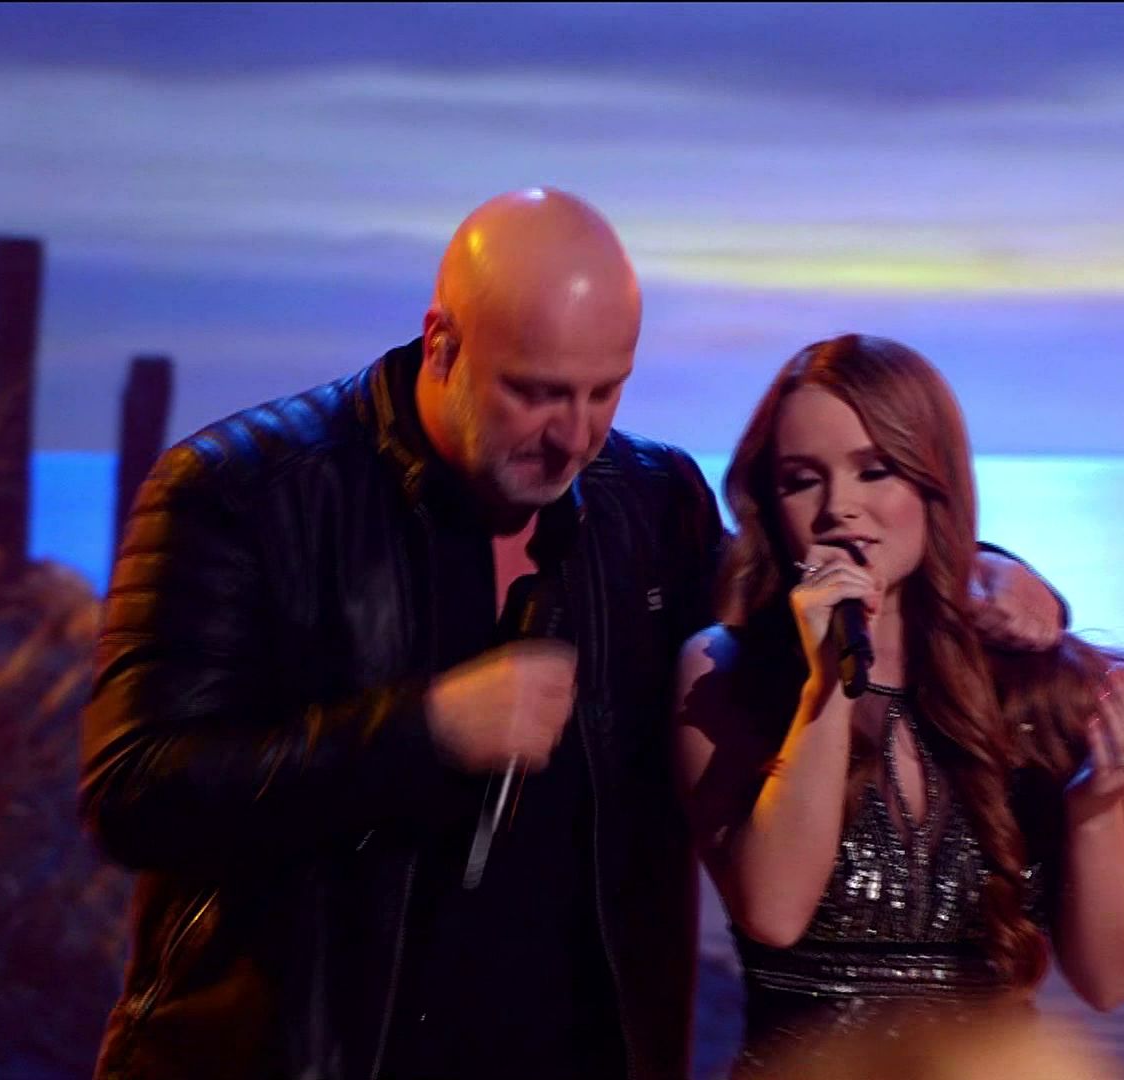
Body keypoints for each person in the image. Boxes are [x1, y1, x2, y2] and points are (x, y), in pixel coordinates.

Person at [79, 191, 1067, 1080]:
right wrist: (423, 732)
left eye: (606, 392)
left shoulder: (651, 499)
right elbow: (133, 791)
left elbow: (798, 589)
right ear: (442, 344)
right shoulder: (242, 492)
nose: (575, 435)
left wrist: (983, 566)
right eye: (539, 392)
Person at [673, 334, 1124, 1075]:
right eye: (802, 481)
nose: (839, 508)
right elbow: (773, 910)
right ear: (771, 501)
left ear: (936, 482)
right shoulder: (724, 672)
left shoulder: (1031, 678)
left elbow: (1111, 980)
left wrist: (1097, 809)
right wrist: (827, 683)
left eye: (875, 471)